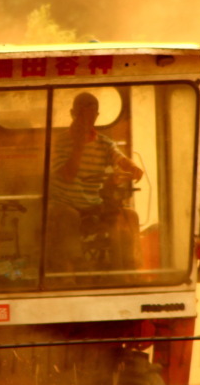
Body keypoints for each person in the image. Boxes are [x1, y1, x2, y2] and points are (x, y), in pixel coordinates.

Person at [47, 92, 143, 277]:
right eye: (82, 114)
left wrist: (132, 168)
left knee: (128, 215)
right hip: (64, 203)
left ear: (96, 116)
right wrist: (79, 146)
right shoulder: (60, 142)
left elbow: (120, 158)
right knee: (68, 215)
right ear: (73, 113)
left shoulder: (104, 143)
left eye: (92, 114)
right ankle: (76, 270)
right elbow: (68, 175)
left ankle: (127, 271)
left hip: (93, 204)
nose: (87, 119)